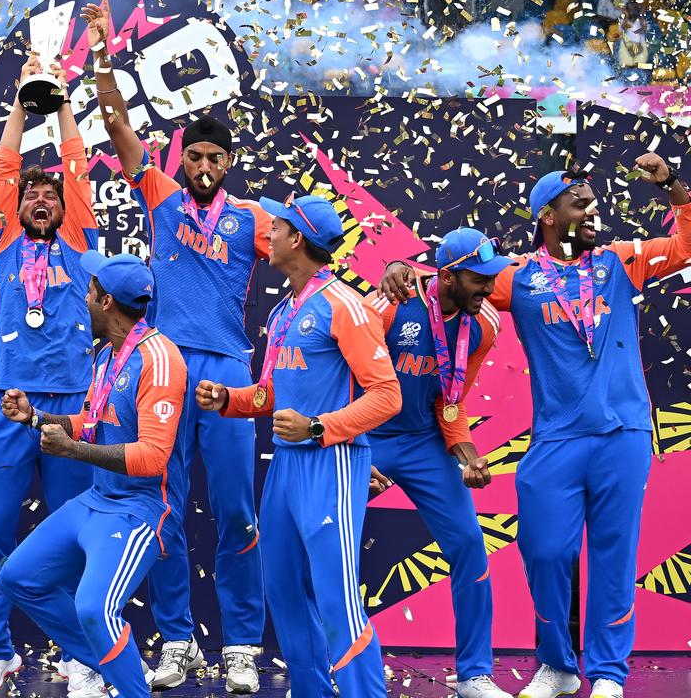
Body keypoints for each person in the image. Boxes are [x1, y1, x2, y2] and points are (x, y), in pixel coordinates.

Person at [380, 156, 691, 698]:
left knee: (614, 556)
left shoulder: (620, 261)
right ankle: (558, 665)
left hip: (623, 434)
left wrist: (672, 187)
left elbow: (686, 246)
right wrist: (409, 274)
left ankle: (610, 676)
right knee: (545, 552)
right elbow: (456, 282)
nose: (593, 211)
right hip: (556, 440)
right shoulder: (518, 278)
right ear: (549, 215)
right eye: (581, 203)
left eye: (593, 201)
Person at [83, 0, 272, 692]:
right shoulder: (159, 193)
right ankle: (178, 639)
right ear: (180, 157)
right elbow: (114, 122)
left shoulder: (254, 220)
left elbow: (317, 252)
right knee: (159, 506)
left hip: (226, 372)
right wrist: (103, 52)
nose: (201, 165)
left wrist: (397, 276)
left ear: (227, 162)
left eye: (212, 156)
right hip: (162, 369)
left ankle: (243, 645)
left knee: (235, 513)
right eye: (192, 154)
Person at [196, 195, 400, 698]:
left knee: (337, 599)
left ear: (299, 240)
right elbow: (270, 393)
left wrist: (317, 428)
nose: (268, 232)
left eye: (278, 226)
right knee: (283, 589)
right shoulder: (286, 307)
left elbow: (387, 395)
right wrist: (230, 399)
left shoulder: (344, 305)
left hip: (331, 463)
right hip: (287, 469)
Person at [0, 250, 185, 698]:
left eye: (90, 289)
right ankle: (113, 661)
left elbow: (153, 457)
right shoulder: (108, 355)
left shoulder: (160, 360)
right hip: (98, 500)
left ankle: (126, 684)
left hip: (140, 509)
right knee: (18, 577)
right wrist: (37, 417)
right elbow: (90, 421)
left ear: (106, 302)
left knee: (95, 608)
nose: (83, 296)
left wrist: (75, 450)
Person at [0, 54, 98, 694]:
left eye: (50, 196)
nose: (41, 200)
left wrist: (63, 102)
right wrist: (24, 103)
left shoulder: (79, 243)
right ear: (16, 208)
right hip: (7, 402)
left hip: (73, 405)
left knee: (73, 531)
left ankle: (80, 654)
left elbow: (76, 170)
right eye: (31, 196)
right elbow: (5, 168)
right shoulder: (0, 245)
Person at [366, 228, 511, 698]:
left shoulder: (485, 324)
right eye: (479, 279)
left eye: (492, 278)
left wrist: (468, 455)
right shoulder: (391, 303)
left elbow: (451, 401)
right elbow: (343, 374)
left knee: (470, 545)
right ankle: (326, 669)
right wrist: (346, 446)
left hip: (426, 444)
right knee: (328, 546)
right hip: (367, 439)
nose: (490, 289)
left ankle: (474, 674)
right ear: (446, 276)